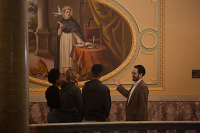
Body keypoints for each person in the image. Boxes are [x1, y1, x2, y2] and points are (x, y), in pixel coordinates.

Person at [54, 6, 86, 73]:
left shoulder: (73, 22)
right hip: (63, 40)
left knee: (71, 55)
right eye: (67, 12)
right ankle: (64, 70)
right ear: (64, 13)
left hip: (71, 40)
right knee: (64, 54)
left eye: (69, 12)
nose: (68, 13)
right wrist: (60, 28)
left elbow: (76, 33)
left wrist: (80, 41)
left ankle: (72, 70)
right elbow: (59, 34)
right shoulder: (61, 23)